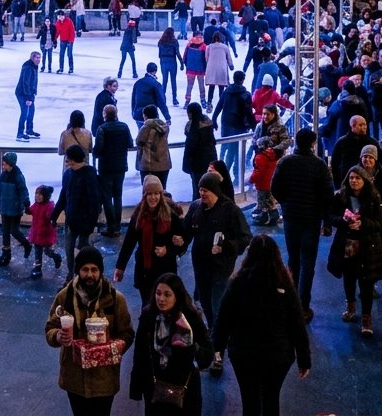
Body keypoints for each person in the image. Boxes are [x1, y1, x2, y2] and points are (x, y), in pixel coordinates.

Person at [212, 235, 312, 416]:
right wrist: (304, 360)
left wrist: (216, 348)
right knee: (271, 398)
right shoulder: (285, 285)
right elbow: (297, 324)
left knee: (249, 401)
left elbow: (224, 318)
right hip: (278, 356)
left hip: (244, 354)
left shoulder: (237, 283)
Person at [44, 246, 136, 416]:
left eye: (94, 270)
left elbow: (127, 334)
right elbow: (50, 328)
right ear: (78, 271)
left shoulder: (115, 299)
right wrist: (58, 337)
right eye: (85, 269)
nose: (90, 274)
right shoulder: (65, 297)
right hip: (74, 378)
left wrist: (111, 349)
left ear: (100, 271)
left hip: (104, 379)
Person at [183, 170, 251, 376]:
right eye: (200, 190)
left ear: (215, 191)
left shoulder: (230, 211)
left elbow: (245, 237)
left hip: (221, 268)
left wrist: (226, 246)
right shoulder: (196, 207)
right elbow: (186, 231)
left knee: (217, 306)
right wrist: (179, 243)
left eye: (206, 191)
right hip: (201, 267)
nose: (202, 194)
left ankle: (217, 352)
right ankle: (214, 337)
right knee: (206, 305)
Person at [270, 127, 334, 322]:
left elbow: (275, 188)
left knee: (293, 261)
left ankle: (290, 303)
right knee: (308, 263)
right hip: (311, 220)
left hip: (291, 218)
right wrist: (327, 221)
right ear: (313, 144)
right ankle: (303, 306)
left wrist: (286, 203)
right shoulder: (319, 165)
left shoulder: (285, 162)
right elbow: (327, 195)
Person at [128, 272, 214, 416]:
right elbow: (140, 353)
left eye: (167, 295)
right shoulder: (148, 317)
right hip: (155, 388)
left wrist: (191, 345)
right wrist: (136, 386)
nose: (161, 299)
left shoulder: (191, 319)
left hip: (185, 390)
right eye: (158, 293)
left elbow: (207, 358)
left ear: (177, 296)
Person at [326, 166, 382, 337]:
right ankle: (351, 307)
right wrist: (344, 221)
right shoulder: (341, 196)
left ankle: (366, 318)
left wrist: (364, 224)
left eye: (358, 178)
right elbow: (331, 216)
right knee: (349, 277)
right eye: (351, 177)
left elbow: (381, 221)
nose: (354, 181)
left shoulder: (374, 196)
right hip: (347, 243)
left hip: (368, 245)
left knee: (366, 282)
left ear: (365, 180)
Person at [113, 175, 184, 307]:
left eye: (156, 193)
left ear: (161, 194)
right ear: (144, 195)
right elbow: (129, 242)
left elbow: (181, 243)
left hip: (165, 270)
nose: (153, 197)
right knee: (147, 306)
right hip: (145, 270)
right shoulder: (138, 215)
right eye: (149, 194)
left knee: (165, 306)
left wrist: (167, 249)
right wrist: (120, 267)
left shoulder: (170, 215)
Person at [54, 144, 104, 275]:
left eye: (68, 158)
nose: (66, 161)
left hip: (84, 221)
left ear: (74, 159)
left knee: (83, 250)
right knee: (69, 248)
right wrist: (54, 215)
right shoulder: (68, 174)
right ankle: (71, 275)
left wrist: (90, 224)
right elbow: (63, 196)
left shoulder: (89, 175)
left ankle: (83, 275)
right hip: (71, 219)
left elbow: (94, 202)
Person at [93, 106, 132, 238]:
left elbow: (98, 148)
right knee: (118, 196)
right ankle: (117, 226)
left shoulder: (102, 129)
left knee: (107, 198)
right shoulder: (124, 127)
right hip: (121, 166)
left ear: (104, 114)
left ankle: (111, 227)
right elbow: (130, 143)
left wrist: (96, 153)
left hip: (106, 168)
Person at [249, 104, 291, 226]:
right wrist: (259, 148)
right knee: (262, 189)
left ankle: (271, 212)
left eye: (268, 114)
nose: (265, 116)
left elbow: (286, 142)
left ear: (274, 114)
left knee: (270, 188)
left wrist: (273, 149)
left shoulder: (280, 127)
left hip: (275, 161)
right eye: (263, 114)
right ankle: (264, 210)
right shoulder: (259, 126)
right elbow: (254, 140)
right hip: (261, 159)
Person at [0, 151, 32, 267]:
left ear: (11, 164)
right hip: (5, 207)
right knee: (5, 231)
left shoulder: (18, 176)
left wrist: (26, 203)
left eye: (5, 164)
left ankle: (26, 244)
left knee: (14, 231)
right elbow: (0, 191)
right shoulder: (3, 175)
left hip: (15, 209)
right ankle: (6, 255)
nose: (3, 166)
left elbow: (23, 190)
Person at [330, 115, 378, 188]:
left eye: (365, 124)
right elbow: (335, 164)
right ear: (353, 126)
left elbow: (379, 162)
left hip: (367, 183)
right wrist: (338, 184)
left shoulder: (372, 142)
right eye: (361, 125)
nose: (364, 127)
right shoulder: (342, 142)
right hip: (346, 183)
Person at [182, 103, 217, 200]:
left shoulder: (192, 126)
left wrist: (187, 164)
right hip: (210, 161)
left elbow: (190, 146)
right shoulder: (208, 124)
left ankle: (198, 207)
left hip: (197, 164)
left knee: (198, 190)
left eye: (188, 113)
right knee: (209, 187)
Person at [29, 184, 64, 278]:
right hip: (37, 233)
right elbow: (30, 211)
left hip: (46, 234)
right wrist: (26, 206)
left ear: (45, 196)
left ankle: (56, 257)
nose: (37, 196)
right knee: (37, 250)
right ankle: (38, 267)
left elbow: (51, 216)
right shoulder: (36, 205)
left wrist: (52, 218)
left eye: (40, 194)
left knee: (48, 251)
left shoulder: (49, 206)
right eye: (36, 193)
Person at [131, 63, 172, 128]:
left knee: (142, 133)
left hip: (138, 114)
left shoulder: (138, 83)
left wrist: (134, 113)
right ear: (155, 71)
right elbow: (161, 101)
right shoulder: (156, 84)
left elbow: (133, 99)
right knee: (151, 133)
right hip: (151, 115)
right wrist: (167, 117)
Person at [15, 52, 42, 141]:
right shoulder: (28, 67)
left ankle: (29, 131)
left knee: (31, 111)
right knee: (25, 113)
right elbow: (25, 83)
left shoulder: (34, 66)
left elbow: (33, 81)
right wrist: (28, 98)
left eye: (39, 58)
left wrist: (33, 93)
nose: (38, 60)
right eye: (37, 58)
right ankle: (19, 134)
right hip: (22, 93)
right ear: (32, 58)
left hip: (29, 93)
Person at [182, 32, 208, 107]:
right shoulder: (203, 46)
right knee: (201, 85)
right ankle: (203, 100)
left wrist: (185, 64)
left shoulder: (189, 44)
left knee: (189, 85)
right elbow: (206, 58)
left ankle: (187, 100)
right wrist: (206, 67)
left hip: (190, 68)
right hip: (200, 69)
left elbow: (185, 55)